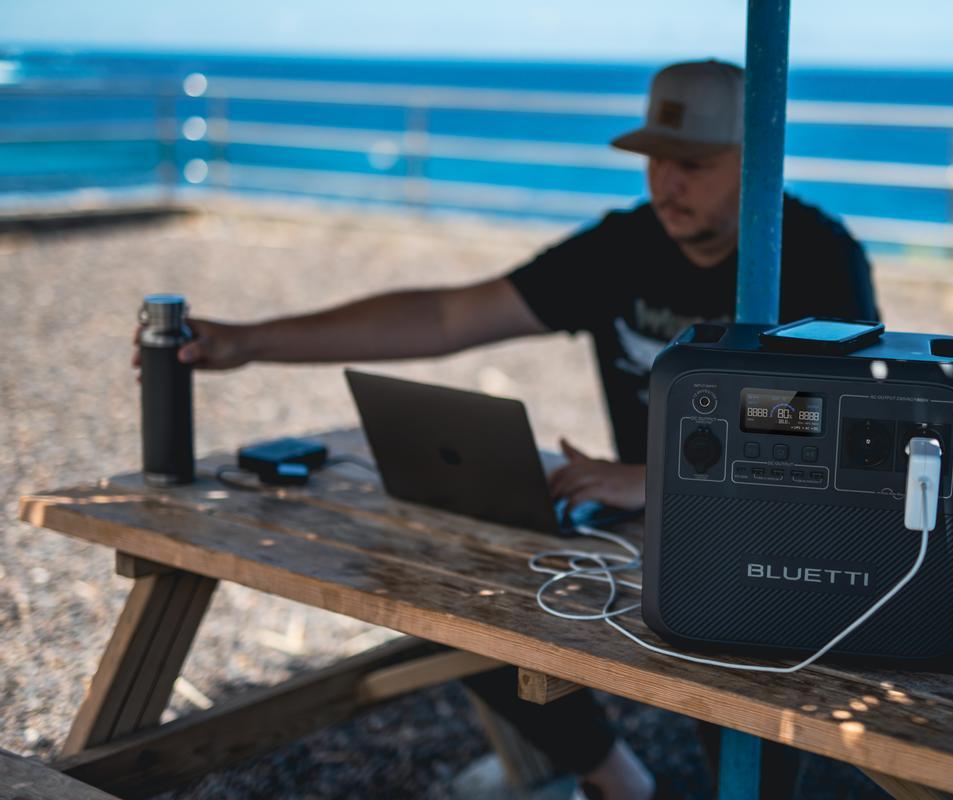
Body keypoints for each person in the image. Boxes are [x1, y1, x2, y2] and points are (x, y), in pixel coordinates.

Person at [134, 60, 879, 800]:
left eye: (692, 163)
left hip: (776, 537)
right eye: (653, 159)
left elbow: (845, 433)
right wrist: (249, 341)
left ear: (760, 162)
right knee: (453, 582)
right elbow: (449, 315)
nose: (665, 183)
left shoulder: (817, 257)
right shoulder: (627, 244)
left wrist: (654, 478)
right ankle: (617, 782)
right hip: (636, 523)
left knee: (742, 664)